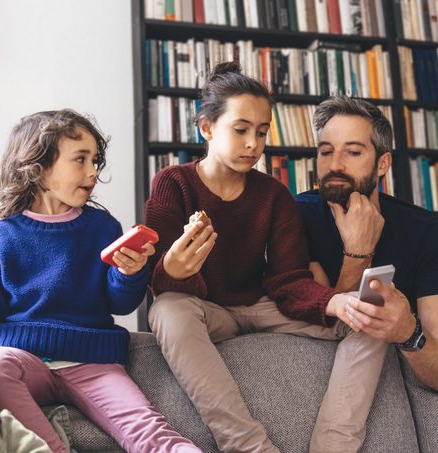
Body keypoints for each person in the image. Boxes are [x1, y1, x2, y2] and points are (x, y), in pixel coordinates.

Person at [145, 62, 388, 453]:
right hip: (207, 310)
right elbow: (158, 282)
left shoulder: (274, 195)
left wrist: (336, 301)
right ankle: (248, 447)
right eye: (240, 130)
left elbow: (288, 281)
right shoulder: (173, 183)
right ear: (206, 128)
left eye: (261, 132)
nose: (253, 144)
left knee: (373, 316)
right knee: (168, 310)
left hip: (263, 305)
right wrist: (171, 270)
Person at [0, 109, 201, 453]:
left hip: (92, 361)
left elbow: (119, 303)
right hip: (22, 356)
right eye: (80, 159)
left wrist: (129, 272)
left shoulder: (103, 227)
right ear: (38, 167)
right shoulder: (2, 235)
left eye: (95, 161)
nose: (93, 172)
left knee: (152, 435)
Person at [292, 96, 438, 396]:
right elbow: (326, 331)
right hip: (302, 384)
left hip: (378, 387)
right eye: (325, 152)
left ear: (382, 163)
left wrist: (408, 331)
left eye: (353, 152)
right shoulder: (293, 216)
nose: (335, 165)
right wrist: (358, 253)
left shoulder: (427, 233)